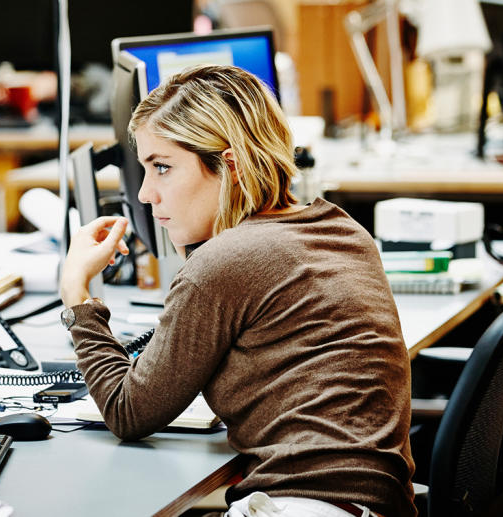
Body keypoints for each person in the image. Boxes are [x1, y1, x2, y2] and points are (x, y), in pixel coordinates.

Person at [59, 65, 416, 517]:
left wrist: (77, 291)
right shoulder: (342, 229)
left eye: (163, 168)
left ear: (230, 166)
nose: (147, 193)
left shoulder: (225, 261)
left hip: (304, 509)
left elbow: (127, 411)